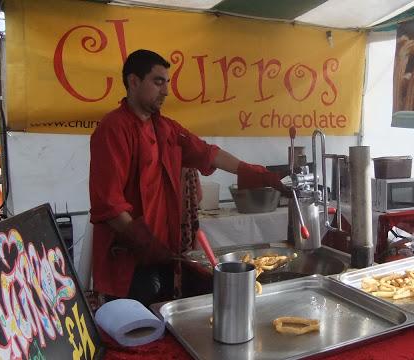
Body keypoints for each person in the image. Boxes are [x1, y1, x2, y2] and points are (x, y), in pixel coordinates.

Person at [89, 49, 283, 306]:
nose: (166, 91)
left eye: (167, 83)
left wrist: (255, 173)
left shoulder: (167, 128)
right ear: (133, 81)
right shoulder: (113, 129)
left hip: (163, 253)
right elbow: (109, 204)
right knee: (135, 334)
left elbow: (208, 154)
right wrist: (142, 241)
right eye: (158, 82)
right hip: (129, 260)